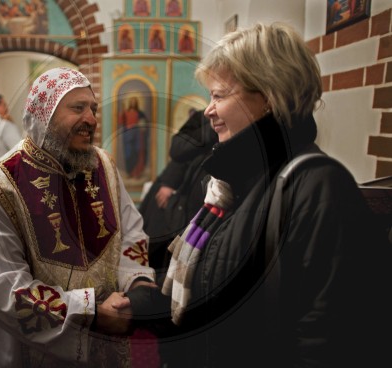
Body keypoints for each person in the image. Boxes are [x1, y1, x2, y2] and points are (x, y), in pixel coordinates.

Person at [117, 22, 392, 367]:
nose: (208, 111)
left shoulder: (319, 189)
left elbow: (330, 343)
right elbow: (205, 292)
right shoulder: (228, 187)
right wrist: (139, 305)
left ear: (268, 96)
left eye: (219, 95)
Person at [0, 67, 157, 367]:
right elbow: (1, 286)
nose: (91, 118)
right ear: (44, 116)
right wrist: (89, 314)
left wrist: (137, 283)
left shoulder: (103, 165)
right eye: (77, 108)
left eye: (92, 108)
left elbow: (131, 231)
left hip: (109, 346)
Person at [138, 109, 217, 281]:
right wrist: (169, 182)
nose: (213, 108)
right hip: (173, 195)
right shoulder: (203, 117)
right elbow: (178, 149)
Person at [118, 96, 148, 179]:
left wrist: (138, 125)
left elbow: (144, 123)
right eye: (131, 101)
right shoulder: (126, 112)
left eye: (134, 102)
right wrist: (123, 114)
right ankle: (129, 172)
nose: (133, 103)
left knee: (136, 153)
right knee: (128, 154)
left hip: (137, 136)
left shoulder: (140, 113)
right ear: (129, 103)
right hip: (127, 136)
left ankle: (136, 173)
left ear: (137, 103)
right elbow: (120, 122)